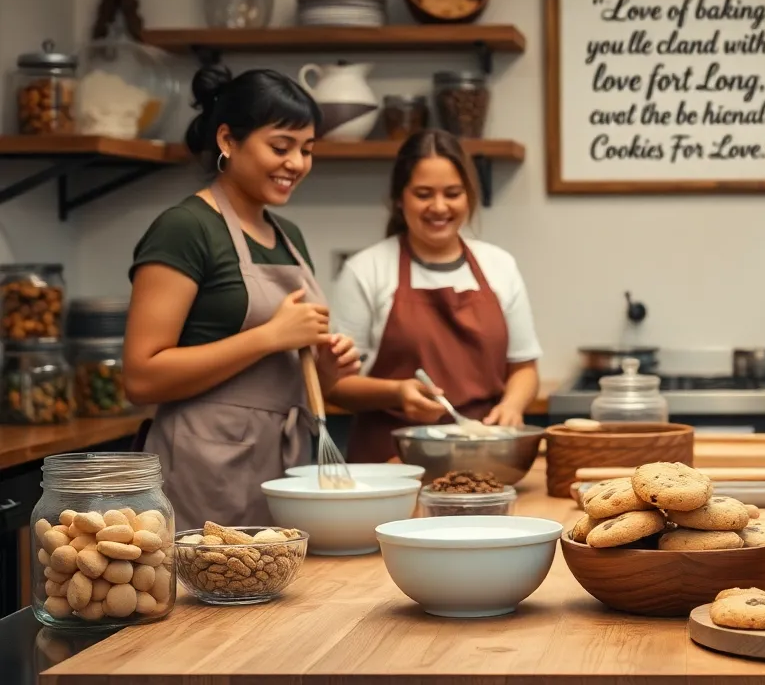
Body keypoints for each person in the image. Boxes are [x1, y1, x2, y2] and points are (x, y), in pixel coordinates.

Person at [125, 66, 361, 527]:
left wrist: (328, 367)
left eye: (307, 150)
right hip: (205, 467)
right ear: (228, 140)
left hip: (284, 464)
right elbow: (141, 377)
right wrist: (269, 336)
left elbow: (287, 373)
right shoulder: (185, 228)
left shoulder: (286, 235)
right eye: (280, 146)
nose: (296, 163)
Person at [328, 129, 542, 462]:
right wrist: (397, 393)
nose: (439, 207)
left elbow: (524, 368)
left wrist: (511, 407)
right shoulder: (365, 270)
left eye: (453, 193)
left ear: (468, 196)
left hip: (485, 456)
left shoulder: (500, 266)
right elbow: (337, 384)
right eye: (424, 194)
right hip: (391, 462)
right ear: (400, 199)